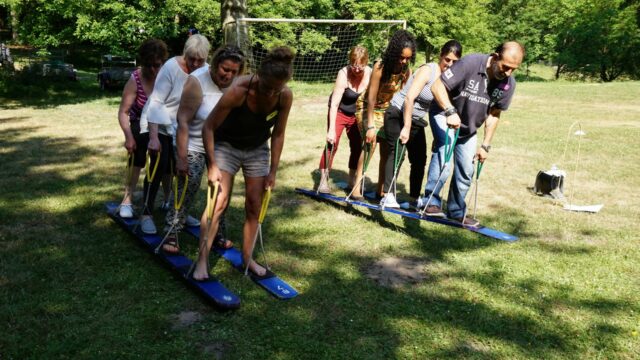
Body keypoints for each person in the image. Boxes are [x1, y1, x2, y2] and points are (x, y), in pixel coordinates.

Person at [192, 46, 294, 281]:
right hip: (227, 145)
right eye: (267, 87)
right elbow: (208, 127)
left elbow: (278, 134)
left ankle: (248, 259)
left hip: (257, 149)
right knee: (218, 202)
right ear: (259, 76)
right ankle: (202, 261)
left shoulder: (284, 96)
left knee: (254, 206)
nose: (271, 93)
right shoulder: (238, 90)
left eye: (276, 89)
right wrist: (213, 165)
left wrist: (273, 171)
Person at [425, 41, 524, 226]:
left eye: (513, 69)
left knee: (466, 169)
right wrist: (450, 111)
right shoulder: (471, 63)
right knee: (445, 155)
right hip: (444, 114)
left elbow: (494, 114)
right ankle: (430, 202)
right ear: (495, 57)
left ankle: (456, 211)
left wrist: (485, 145)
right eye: (506, 67)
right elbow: (437, 86)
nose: (508, 73)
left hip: (468, 128)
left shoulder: (508, 83)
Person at [159, 45, 245, 254]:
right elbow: (183, 120)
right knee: (190, 182)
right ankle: (172, 229)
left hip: (220, 145)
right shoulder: (196, 81)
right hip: (193, 143)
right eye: (225, 69)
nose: (229, 75)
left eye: (234, 72)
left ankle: (217, 232)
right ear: (215, 65)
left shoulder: (237, 84)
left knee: (221, 189)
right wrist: (181, 158)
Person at [138, 34, 210, 234]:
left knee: (183, 169)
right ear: (184, 53)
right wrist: (153, 138)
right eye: (191, 58)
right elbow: (156, 102)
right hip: (158, 122)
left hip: (181, 126)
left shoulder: (206, 70)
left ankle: (179, 212)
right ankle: (146, 213)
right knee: (159, 166)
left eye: (200, 60)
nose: (195, 63)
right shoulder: (171, 67)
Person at [380, 40, 462, 208]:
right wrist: (407, 127)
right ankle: (387, 195)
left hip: (416, 119)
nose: (450, 64)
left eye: (454, 61)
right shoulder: (428, 70)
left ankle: (413, 199)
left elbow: (441, 107)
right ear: (441, 56)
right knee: (398, 152)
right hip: (397, 113)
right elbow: (409, 98)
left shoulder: (450, 79)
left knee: (419, 159)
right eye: (447, 59)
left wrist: (438, 135)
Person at [355, 29, 416, 199]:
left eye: (408, 58)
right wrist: (370, 126)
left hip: (388, 111)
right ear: (394, 52)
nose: (404, 61)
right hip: (368, 107)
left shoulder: (406, 71)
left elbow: (403, 98)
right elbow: (371, 98)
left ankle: (381, 190)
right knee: (371, 143)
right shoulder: (379, 67)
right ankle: (356, 188)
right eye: (401, 57)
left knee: (388, 148)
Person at [116, 38, 169, 218]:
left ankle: (167, 199)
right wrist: (128, 137)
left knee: (166, 162)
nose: (153, 70)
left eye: (157, 65)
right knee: (136, 158)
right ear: (142, 62)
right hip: (139, 123)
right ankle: (127, 199)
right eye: (148, 65)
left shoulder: (167, 76)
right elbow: (123, 112)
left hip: (162, 124)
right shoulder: (135, 79)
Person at [316, 45, 372, 196]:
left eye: (361, 66)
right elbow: (334, 104)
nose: (357, 69)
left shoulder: (371, 74)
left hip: (358, 115)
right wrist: (331, 130)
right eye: (354, 65)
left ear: (366, 63)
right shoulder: (343, 73)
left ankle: (352, 181)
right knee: (332, 143)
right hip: (340, 111)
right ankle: (323, 181)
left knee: (357, 147)